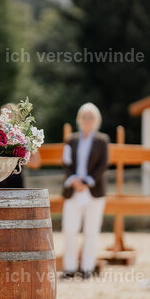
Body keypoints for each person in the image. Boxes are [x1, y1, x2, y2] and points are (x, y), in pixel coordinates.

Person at [60, 102, 109, 279]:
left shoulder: (102, 140)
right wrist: (75, 181)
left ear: (96, 120)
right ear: (79, 119)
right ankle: (70, 268)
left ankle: (88, 268)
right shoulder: (71, 140)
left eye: (91, 117)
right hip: (73, 190)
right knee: (70, 229)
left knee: (91, 230)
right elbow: (66, 163)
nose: (87, 120)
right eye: (85, 117)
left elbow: (103, 165)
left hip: (94, 191)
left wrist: (87, 182)